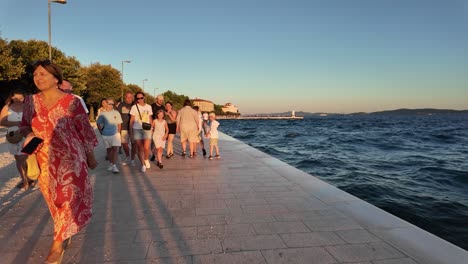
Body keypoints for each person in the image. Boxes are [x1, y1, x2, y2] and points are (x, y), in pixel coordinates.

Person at [20, 60, 98, 264]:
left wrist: (90, 155)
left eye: (43, 74)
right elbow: (24, 125)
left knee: (66, 199)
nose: (38, 78)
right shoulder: (31, 101)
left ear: (56, 78)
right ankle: (65, 230)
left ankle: (57, 245)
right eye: (36, 74)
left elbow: (84, 129)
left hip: (71, 159)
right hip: (44, 159)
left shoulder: (71, 101)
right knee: (54, 201)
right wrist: (29, 136)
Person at [0, 89, 31, 190]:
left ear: (25, 97)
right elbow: (1, 122)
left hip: (27, 134)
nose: (18, 100)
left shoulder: (28, 107)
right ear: (11, 97)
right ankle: (24, 179)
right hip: (13, 136)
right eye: (15, 98)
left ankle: (29, 177)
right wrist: (17, 123)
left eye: (21, 98)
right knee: (18, 159)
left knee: (25, 158)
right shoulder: (7, 107)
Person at [96, 98, 122, 174]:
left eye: (112, 104)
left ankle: (114, 165)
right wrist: (101, 131)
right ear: (106, 104)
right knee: (109, 151)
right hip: (106, 134)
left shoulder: (116, 112)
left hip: (115, 134)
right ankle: (111, 164)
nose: (111, 105)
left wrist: (118, 132)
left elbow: (119, 123)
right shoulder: (102, 114)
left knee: (115, 149)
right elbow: (98, 123)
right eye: (109, 104)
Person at [129, 92, 153, 172]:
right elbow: (132, 120)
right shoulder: (134, 107)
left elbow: (150, 118)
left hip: (147, 128)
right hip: (137, 128)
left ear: (144, 97)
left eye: (141, 98)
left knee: (146, 147)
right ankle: (142, 164)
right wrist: (131, 131)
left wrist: (152, 128)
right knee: (140, 148)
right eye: (138, 98)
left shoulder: (148, 107)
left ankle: (146, 159)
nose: (140, 100)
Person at [117, 91, 137, 166]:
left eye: (130, 97)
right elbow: (117, 115)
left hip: (134, 127)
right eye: (127, 97)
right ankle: (128, 156)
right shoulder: (121, 105)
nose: (129, 98)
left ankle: (133, 159)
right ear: (125, 97)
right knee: (124, 143)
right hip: (124, 127)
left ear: (132, 98)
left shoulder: (135, 105)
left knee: (134, 143)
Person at [150, 95, 165, 161]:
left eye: (162, 100)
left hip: (161, 126)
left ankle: (159, 153)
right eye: (159, 100)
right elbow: (150, 115)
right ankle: (153, 154)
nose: (161, 101)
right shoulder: (152, 106)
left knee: (161, 141)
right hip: (154, 124)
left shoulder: (163, 107)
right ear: (156, 99)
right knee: (153, 142)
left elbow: (164, 116)